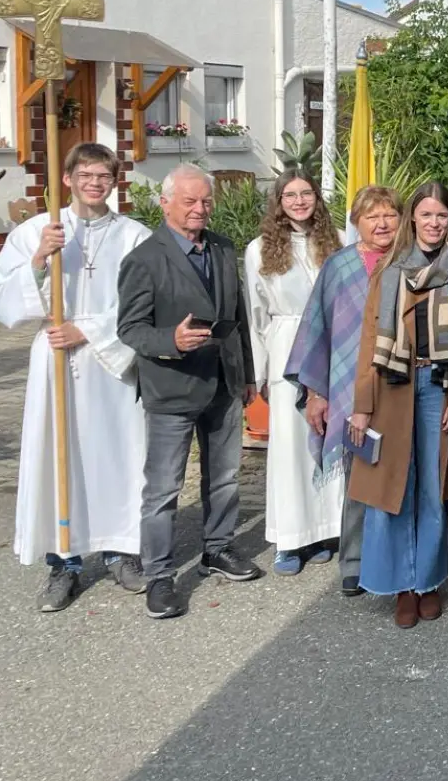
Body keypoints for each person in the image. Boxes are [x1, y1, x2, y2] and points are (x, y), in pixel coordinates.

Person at [0, 142, 150, 611]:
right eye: (85, 176)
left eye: (103, 176)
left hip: (111, 365)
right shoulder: (39, 230)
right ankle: (65, 562)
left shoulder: (133, 235)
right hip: (54, 359)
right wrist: (39, 259)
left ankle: (122, 552)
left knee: (118, 455)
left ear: (114, 182)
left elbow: (144, 303)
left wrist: (90, 328)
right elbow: (0, 301)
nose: (94, 184)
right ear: (68, 180)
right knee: (60, 458)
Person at [118, 164, 261, 619]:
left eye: (205, 202)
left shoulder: (221, 247)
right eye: (189, 201)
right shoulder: (143, 259)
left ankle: (217, 549)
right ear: (165, 203)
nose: (200, 209)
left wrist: (249, 375)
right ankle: (159, 576)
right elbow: (129, 328)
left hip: (223, 383)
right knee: (163, 489)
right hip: (172, 389)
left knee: (224, 478)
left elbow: (237, 316)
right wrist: (171, 342)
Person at [347, 183, 448, 627]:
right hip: (393, 385)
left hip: (441, 387)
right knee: (394, 490)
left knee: (432, 489)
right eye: (426, 215)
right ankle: (401, 586)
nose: (434, 223)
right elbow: (369, 340)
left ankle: (427, 581)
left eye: (441, 215)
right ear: (413, 219)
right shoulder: (390, 269)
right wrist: (362, 405)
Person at [285, 185, 401, 597]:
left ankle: (396, 560)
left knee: (400, 478)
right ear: (356, 223)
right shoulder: (339, 267)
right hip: (351, 391)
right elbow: (318, 330)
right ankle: (353, 561)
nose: (382, 223)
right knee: (360, 477)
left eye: (389, 214)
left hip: (401, 389)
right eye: (372, 216)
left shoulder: (411, 263)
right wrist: (317, 393)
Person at [244, 170, 345, 575]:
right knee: (289, 448)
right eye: (291, 195)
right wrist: (259, 372)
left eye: (306, 193)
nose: (299, 201)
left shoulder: (336, 240)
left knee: (325, 440)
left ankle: (323, 529)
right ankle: (289, 538)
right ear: (279, 201)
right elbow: (254, 314)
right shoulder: (259, 250)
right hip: (286, 345)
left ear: (316, 198)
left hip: (332, 345)